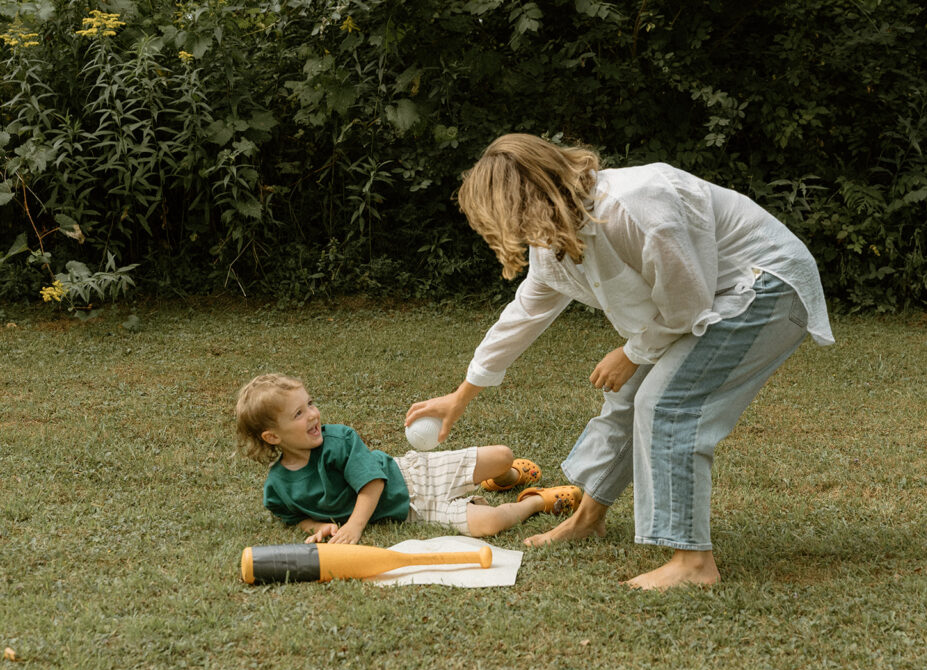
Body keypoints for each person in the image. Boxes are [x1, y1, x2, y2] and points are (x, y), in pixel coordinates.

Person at [405, 133, 834, 589]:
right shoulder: (553, 239)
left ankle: (693, 563)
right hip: (711, 297)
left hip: (765, 286)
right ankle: (587, 519)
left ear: (528, 197)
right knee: (629, 397)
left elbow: (687, 305)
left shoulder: (637, 206)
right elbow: (524, 314)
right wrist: (461, 395)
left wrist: (630, 353)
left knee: (667, 404)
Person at [235, 373, 581, 543]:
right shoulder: (277, 487)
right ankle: (536, 501)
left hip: (413, 475)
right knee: (489, 524)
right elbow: (294, 517)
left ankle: (505, 479)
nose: (313, 414)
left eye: (310, 403)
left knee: (503, 456)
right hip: (414, 510)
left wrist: (354, 526)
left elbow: (373, 483)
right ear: (273, 437)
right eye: (298, 413)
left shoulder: (339, 440)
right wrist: (319, 527)